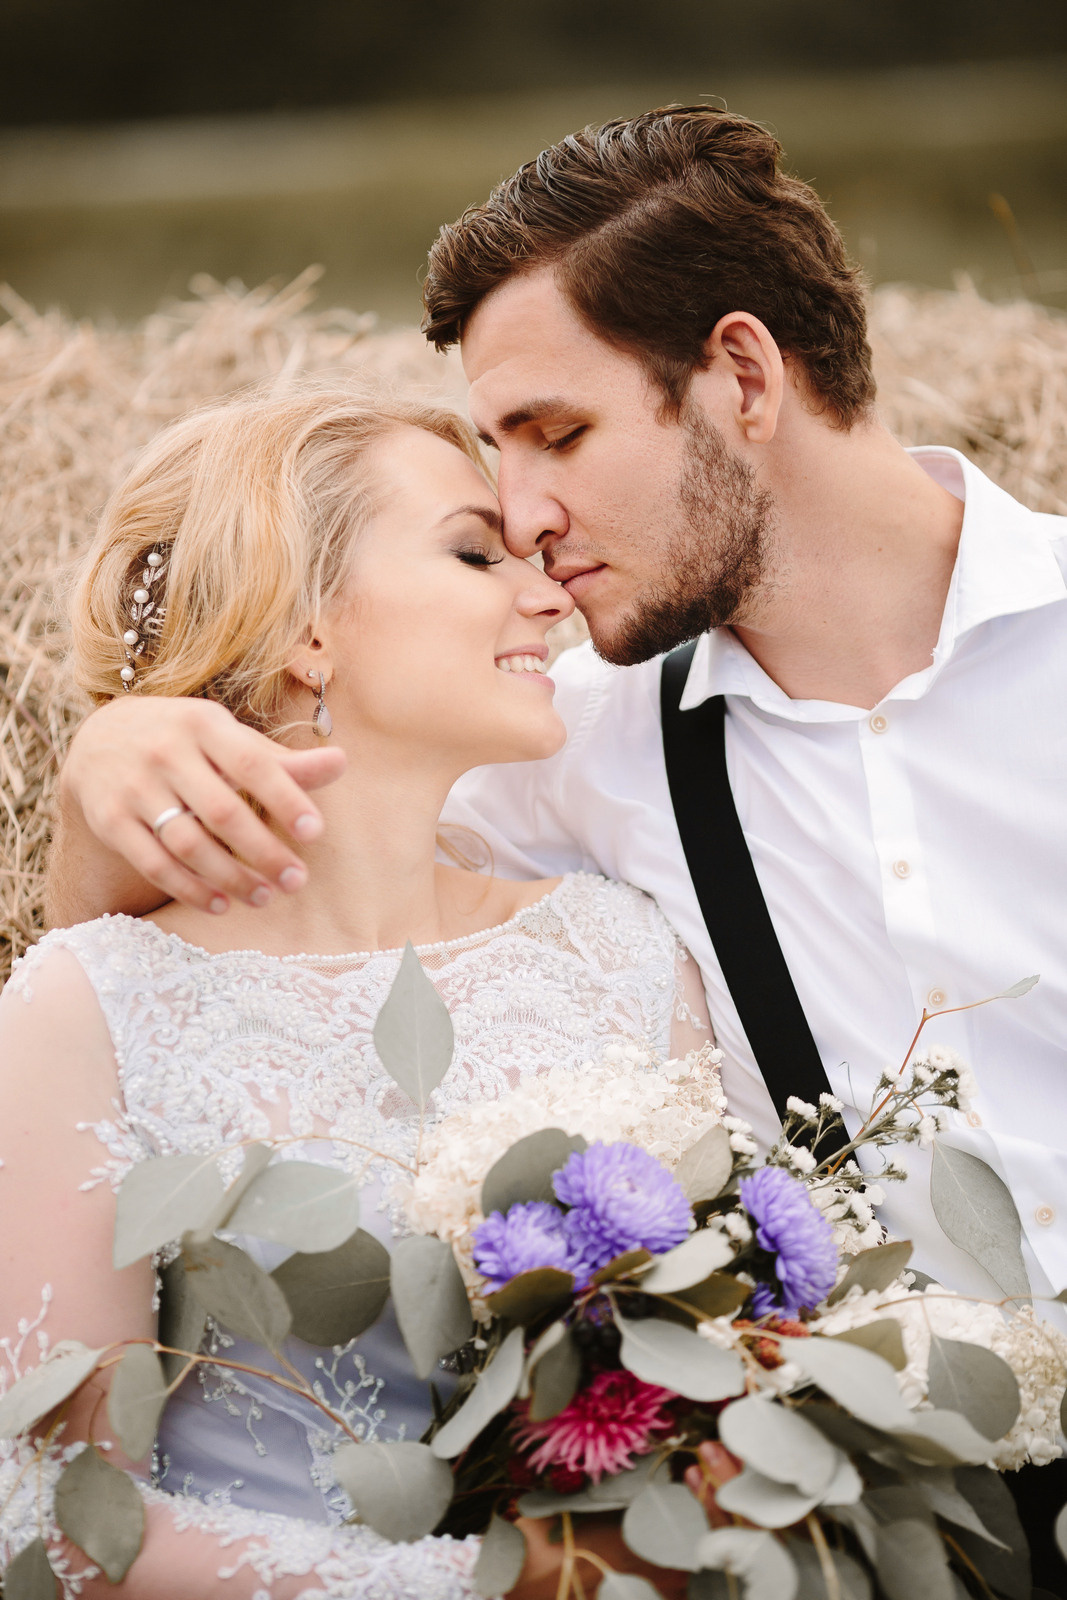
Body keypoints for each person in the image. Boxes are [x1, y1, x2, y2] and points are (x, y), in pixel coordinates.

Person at [41, 106, 1067, 1576]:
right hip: (898, 1532)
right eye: (490, 465)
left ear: (738, 375)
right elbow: (227, 942)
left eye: (558, 435)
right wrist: (106, 763)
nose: (521, 525)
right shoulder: (562, 728)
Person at [1, 387, 711, 1598]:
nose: (546, 592)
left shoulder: (620, 950)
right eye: (474, 550)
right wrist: (513, 1588)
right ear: (304, 628)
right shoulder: (88, 1004)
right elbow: (55, 1518)